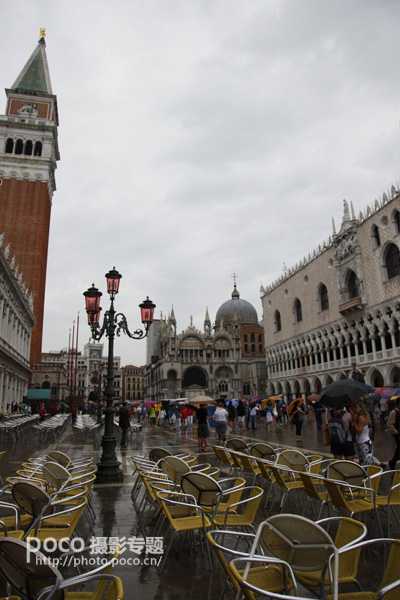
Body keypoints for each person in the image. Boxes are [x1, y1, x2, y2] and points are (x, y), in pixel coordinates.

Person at [387, 398, 400, 470]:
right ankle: (392, 463)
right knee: (398, 450)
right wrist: (396, 432)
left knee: (398, 450)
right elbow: (389, 424)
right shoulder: (393, 412)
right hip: (397, 435)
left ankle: (392, 462)